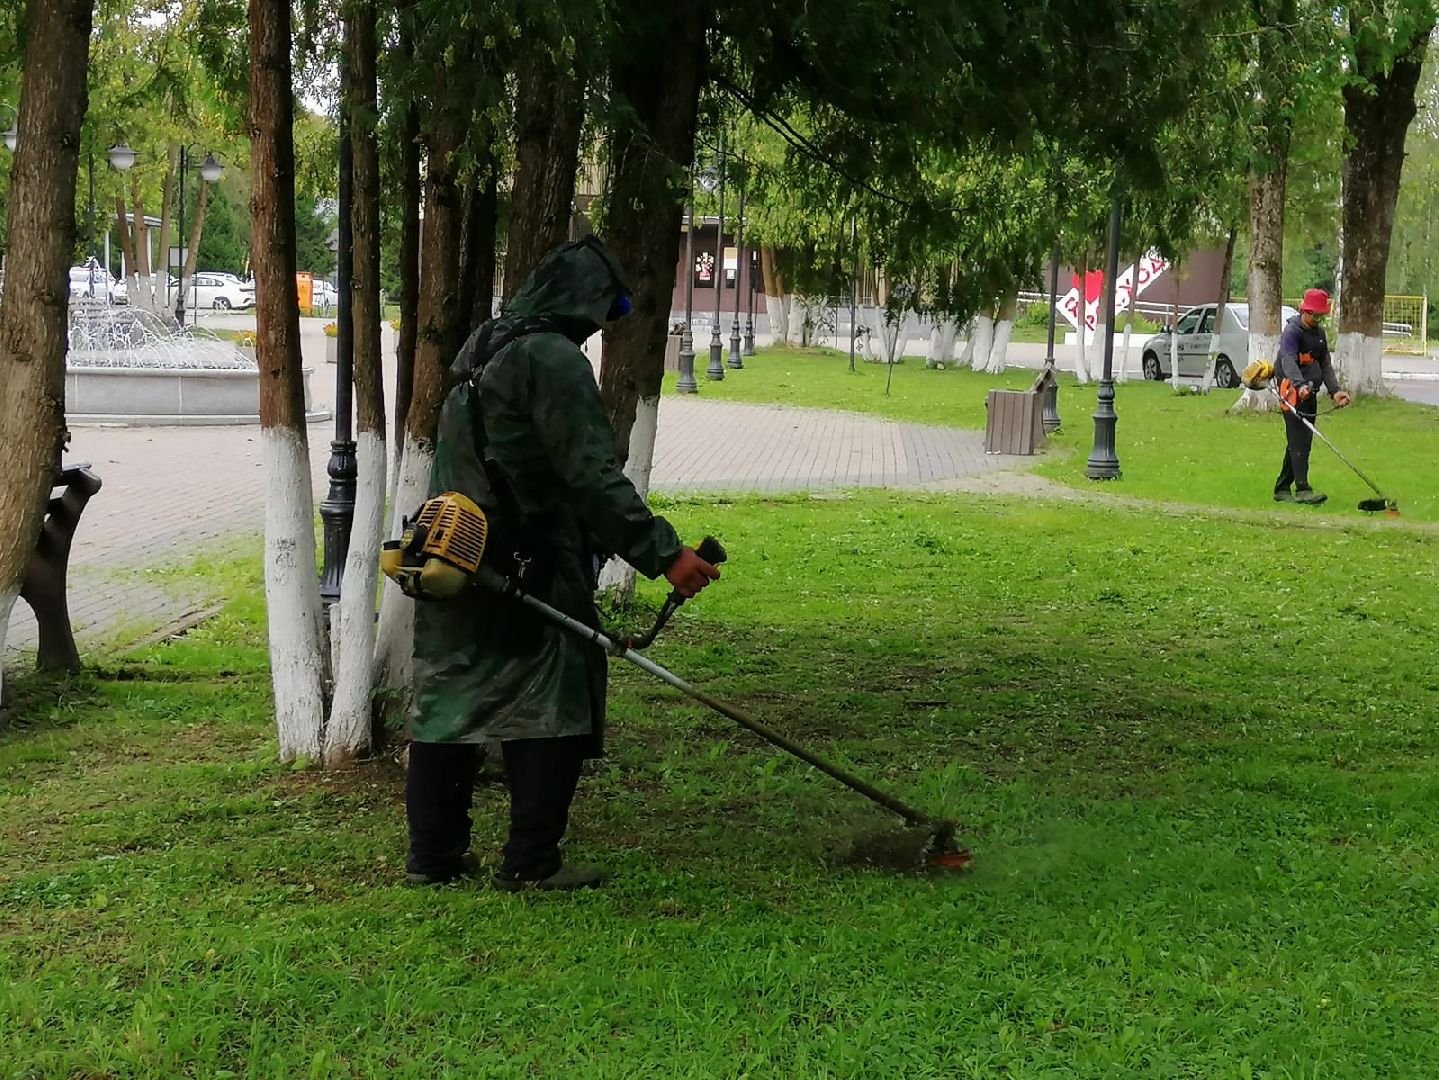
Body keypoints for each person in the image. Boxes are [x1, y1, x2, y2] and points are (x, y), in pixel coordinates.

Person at [405, 237, 720, 891]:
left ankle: (433, 860)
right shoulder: (550, 358)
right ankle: (530, 862)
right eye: (606, 307)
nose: (602, 323)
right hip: (529, 558)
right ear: (580, 300)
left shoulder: (483, 345)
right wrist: (664, 554)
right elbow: (589, 475)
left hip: (452, 549)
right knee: (556, 697)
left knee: (450, 697)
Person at [1273, 288, 1352, 505]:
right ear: (1303, 310)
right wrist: (1299, 385)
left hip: (1309, 392)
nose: (1316, 319)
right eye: (1313, 315)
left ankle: (1281, 488)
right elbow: (1288, 360)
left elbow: (1325, 364)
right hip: (1291, 391)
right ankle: (1302, 489)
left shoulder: (1319, 334)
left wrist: (1336, 391)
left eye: (1320, 316)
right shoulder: (1292, 332)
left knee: (1301, 440)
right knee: (1300, 440)